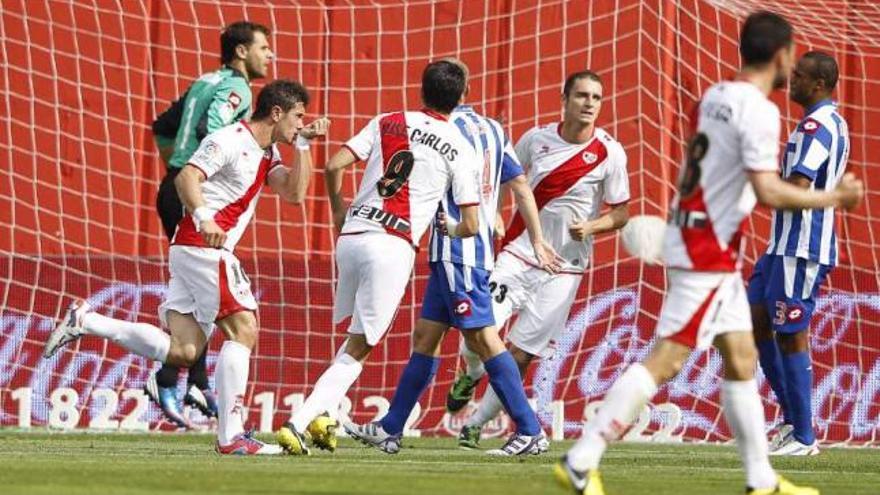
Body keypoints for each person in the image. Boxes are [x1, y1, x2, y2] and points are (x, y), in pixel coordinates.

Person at [556, 12, 862, 495]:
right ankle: (582, 457)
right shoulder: (761, 111)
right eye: (793, 58)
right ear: (782, 56)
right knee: (668, 358)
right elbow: (769, 191)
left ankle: (761, 480)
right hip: (708, 249)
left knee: (741, 356)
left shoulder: (714, 96)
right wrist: (835, 199)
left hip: (702, 238)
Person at [273, 61, 547, 457]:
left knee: (460, 337)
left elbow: (334, 164)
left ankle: (524, 428)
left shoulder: (390, 119)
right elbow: (491, 204)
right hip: (424, 246)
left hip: (360, 238)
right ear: (464, 94)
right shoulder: (470, 138)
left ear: (421, 90)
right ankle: (337, 421)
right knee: (402, 340)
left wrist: (337, 211)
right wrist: (480, 223)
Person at [44, 80, 329, 455]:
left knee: (184, 351)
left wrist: (304, 145)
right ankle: (232, 437)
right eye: (298, 117)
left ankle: (87, 321)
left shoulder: (269, 152)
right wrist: (205, 216)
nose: (301, 123)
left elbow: (294, 194)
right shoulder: (230, 139)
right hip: (203, 245)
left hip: (191, 250)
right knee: (244, 329)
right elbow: (186, 177)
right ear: (277, 113)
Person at [448, 70, 631, 451]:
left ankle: (476, 424)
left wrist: (594, 226)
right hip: (519, 252)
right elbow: (505, 177)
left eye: (596, 97)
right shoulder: (535, 138)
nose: (589, 104)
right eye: (581, 95)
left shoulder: (610, 152)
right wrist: (496, 211)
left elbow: (621, 213)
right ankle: (472, 370)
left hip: (565, 268)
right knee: (478, 328)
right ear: (564, 99)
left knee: (523, 352)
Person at [148, 20, 274, 428]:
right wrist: (219, 165)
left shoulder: (204, 80)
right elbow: (213, 130)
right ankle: (183, 379)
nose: (269, 55)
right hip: (196, 189)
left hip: (176, 182)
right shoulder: (237, 89)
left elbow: (163, 127)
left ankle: (190, 378)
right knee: (212, 286)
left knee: (198, 291)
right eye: (263, 48)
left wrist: (175, 166)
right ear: (241, 52)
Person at [749, 51, 849, 456]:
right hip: (781, 246)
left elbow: (798, 183)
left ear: (820, 85)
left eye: (801, 76)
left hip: (802, 246)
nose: (793, 81)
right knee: (754, 320)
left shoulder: (817, 125)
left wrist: (753, 183)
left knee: (790, 332)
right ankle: (792, 422)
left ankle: (805, 436)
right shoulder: (827, 121)